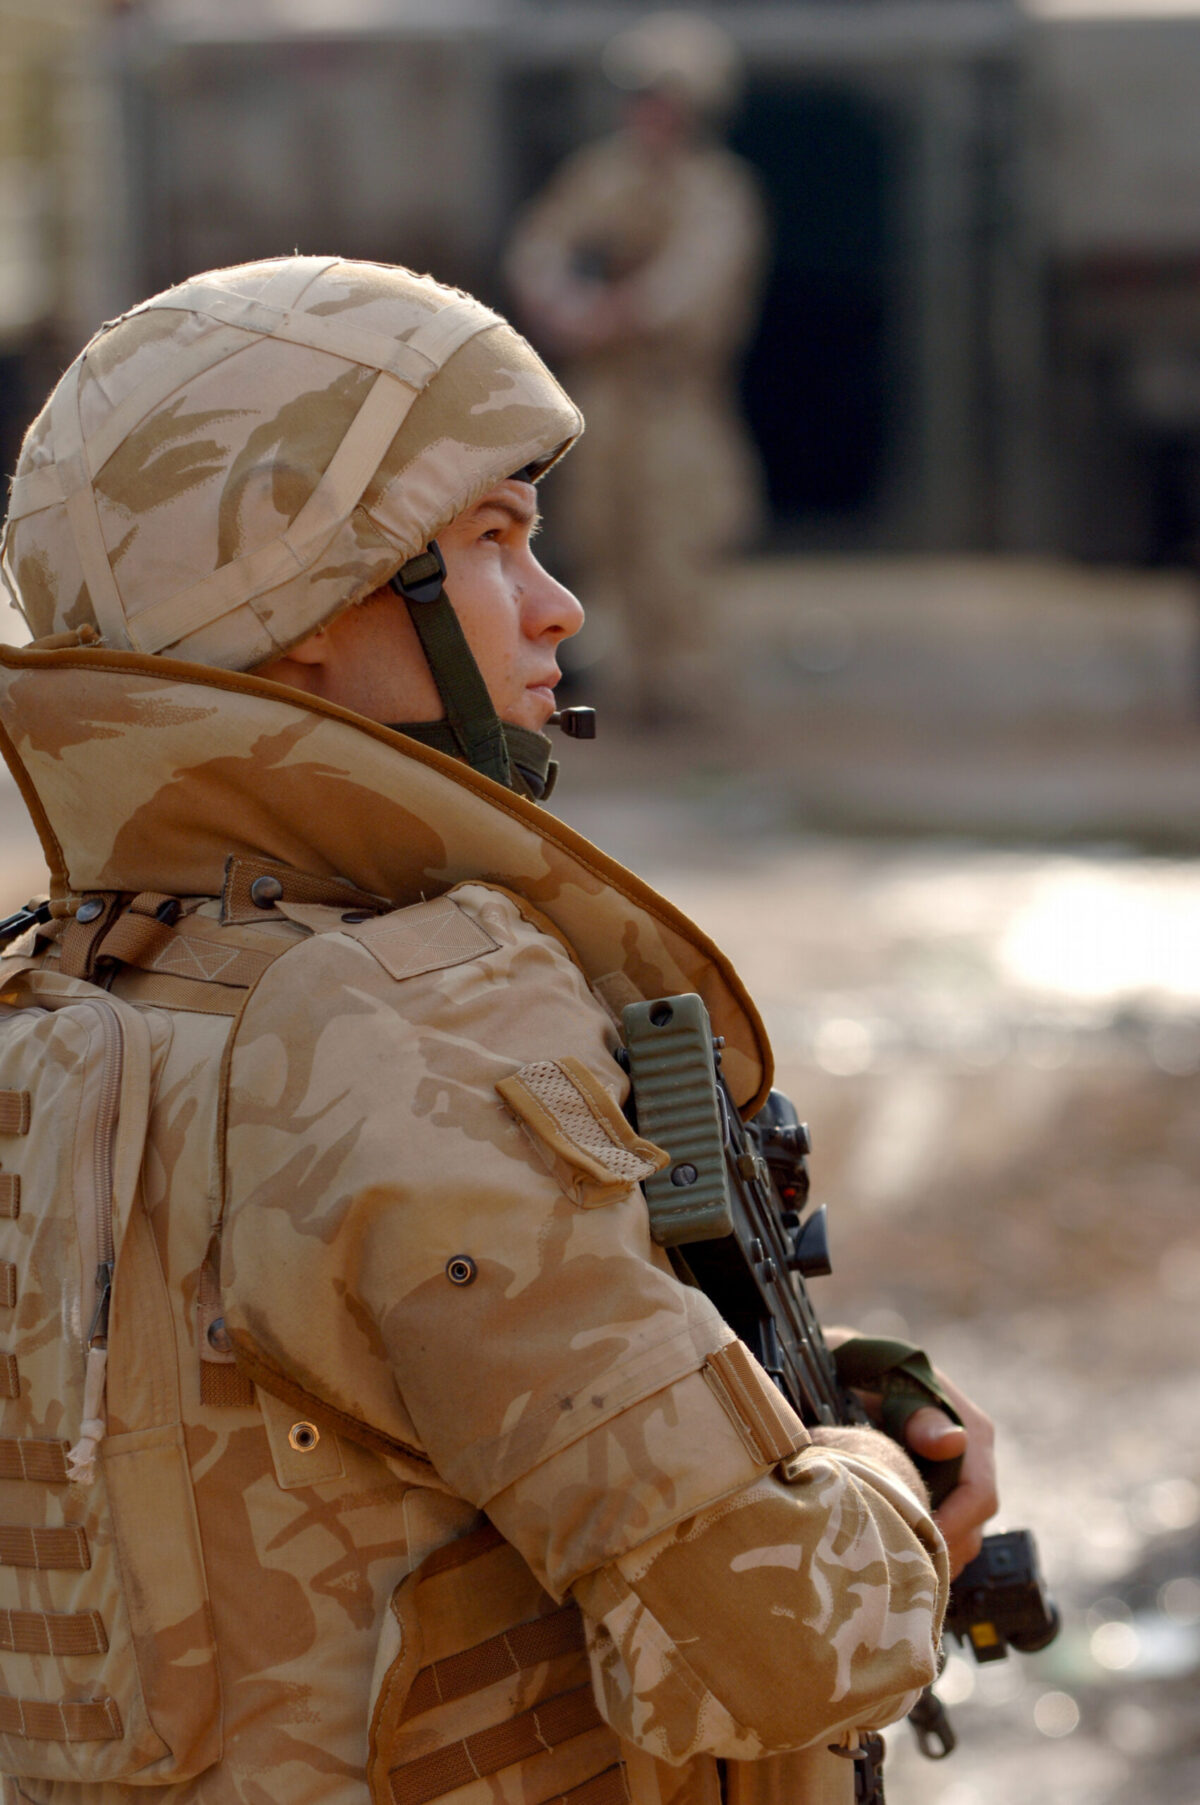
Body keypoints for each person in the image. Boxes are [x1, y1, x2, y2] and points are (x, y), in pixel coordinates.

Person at [0, 256, 991, 1805]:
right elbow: (775, 1642)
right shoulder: (412, 1019)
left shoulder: (62, 1001)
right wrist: (890, 1496)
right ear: (309, 603)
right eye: (488, 543)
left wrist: (778, 1389)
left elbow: (294, 1422)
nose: (556, 606)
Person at [504, 12, 768, 722]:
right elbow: (541, 245)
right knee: (597, 535)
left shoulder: (718, 190)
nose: (650, 112)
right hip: (602, 395)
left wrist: (617, 311)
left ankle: (683, 686)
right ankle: (616, 682)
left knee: (675, 541)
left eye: (667, 97)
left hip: (673, 398)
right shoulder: (602, 175)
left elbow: (693, 286)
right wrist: (562, 301)